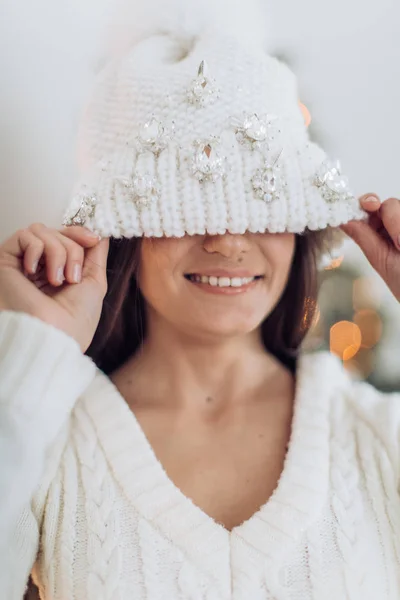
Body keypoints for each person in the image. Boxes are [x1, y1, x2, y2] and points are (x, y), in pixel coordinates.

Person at [1, 0, 400, 598]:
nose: (226, 239)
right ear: (120, 230)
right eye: (184, 207)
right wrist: (35, 349)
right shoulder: (40, 443)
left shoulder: (380, 437)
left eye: (260, 199)